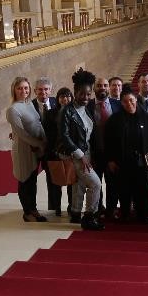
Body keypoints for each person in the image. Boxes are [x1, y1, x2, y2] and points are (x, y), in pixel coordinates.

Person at [105, 85, 148, 223]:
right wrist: (110, 160)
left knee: (143, 188)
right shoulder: (115, 119)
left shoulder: (146, 117)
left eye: (131, 100)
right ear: (121, 103)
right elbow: (108, 141)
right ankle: (125, 213)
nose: (129, 103)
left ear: (136, 99)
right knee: (124, 189)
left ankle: (143, 213)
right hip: (123, 160)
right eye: (125, 101)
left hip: (143, 160)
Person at [58, 69, 104, 231]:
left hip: (87, 152)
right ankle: (89, 216)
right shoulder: (67, 111)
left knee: (79, 184)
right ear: (75, 93)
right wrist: (80, 155)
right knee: (96, 184)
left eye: (88, 94)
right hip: (75, 154)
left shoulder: (86, 109)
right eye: (82, 94)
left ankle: (76, 213)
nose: (86, 97)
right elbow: (64, 135)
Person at [5, 77, 47, 223]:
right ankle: (27, 212)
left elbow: (36, 124)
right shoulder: (12, 109)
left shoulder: (29, 103)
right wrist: (40, 144)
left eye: (26, 88)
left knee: (32, 180)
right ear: (14, 91)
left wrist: (43, 141)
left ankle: (33, 208)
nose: (23, 91)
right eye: (20, 88)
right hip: (23, 150)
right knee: (24, 179)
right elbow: (22, 133)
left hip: (34, 149)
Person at [87, 77, 121, 219]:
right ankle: (98, 207)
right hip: (94, 153)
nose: (102, 88)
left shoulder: (118, 105)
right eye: (99, 85)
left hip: (112, 154)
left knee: (112, 183)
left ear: (109, 88)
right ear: (94, 88)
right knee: (96, 184)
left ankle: (112, 210)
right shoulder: (87, 106)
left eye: (105, 85)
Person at [41, 87, 74, 216]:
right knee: (55, 182)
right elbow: (47, 135)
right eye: (62, 96)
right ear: (58, 99)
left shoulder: (75, 112)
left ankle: (72, 206)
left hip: (71, 153)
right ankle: (56, 207)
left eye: (67, 96)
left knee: (71, 182)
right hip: (54, 153)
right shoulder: (50, 114)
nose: (65, 99)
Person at [31, 77, 58, 216]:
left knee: (52, 178)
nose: (43, 92)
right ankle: (32, 208)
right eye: (40, 89)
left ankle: (53, 207)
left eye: (46, 89)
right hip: (34, 150)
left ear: (50, 90)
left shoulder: (56, 103)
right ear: (35, 91)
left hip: (51, 150)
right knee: (31, 178)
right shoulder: (28, 106)